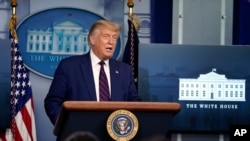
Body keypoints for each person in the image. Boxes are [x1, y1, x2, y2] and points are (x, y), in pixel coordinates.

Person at [44, 19, 141, 125]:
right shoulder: (69, 67)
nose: (111, 42)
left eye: (114, 37)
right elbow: (53, 102)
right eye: (106, 36)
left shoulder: (124, 70)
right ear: (92, 40)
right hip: (78, 135)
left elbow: (135, 103)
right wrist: (66, 126)